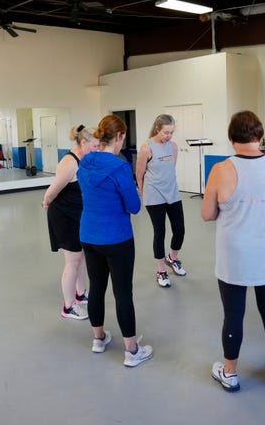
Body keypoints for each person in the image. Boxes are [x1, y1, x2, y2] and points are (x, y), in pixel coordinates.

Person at [202, 111, 265, 391]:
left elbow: (207, 214)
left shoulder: (220, 170)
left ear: (231, 139)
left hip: (234, 255)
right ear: (261, 137)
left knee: (233, 314)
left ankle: (229, 373)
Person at [77, 114, 153, 368]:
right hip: (117, 238)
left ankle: (98, 339)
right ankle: (131, 351)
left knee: (96, 287)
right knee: (122, 292)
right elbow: (134, 206)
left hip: (89, 234)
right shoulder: (120, 168)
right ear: (119, 137)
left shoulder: (85, 162)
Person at [41, 125, 99, 320]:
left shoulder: (84, 158)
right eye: (94, 145)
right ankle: (68, 307)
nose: (97, 150)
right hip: (63, 216)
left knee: (81, 256)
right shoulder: (69, 162)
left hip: (78, 214)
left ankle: (80, 294)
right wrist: (46, 201)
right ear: (83, 142)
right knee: (72, 260)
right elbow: (52, 190)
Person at [135, 114, 186, 288]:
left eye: (171, 132)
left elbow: (170, 170)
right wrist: (144, 195)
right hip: (154, 196)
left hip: (172, 194)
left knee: (180, 230)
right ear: (158, 129)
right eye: (166, 132)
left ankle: (172, 257)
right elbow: (139, 175)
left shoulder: (173, 147)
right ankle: (161, 270)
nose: (169, 136)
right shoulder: (146, 148)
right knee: (160, 232)